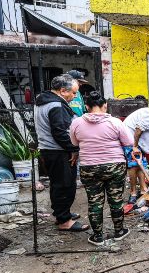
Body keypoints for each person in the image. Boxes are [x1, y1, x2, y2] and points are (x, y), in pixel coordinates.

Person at [70, 91, 134, 245]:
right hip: (114, 166)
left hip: (89, 167)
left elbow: (74, 143)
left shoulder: (77, 123)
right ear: (105, 105)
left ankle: (97, 236)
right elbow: (129, 142)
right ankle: (119, 232)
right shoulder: (115, 122)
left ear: (86, 106)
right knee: (116, 200)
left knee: (94, 202)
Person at [34, 74, 88, 232]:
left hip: (51, 150)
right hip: (58, 151)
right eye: (73, 92)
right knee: (65, 185)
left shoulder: (45, 100)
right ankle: (64, 221)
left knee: (58, 184)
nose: (75, 96)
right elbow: (60, 132)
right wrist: (73, 149)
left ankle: (62, 214)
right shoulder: (56, 105)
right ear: (63, 91)